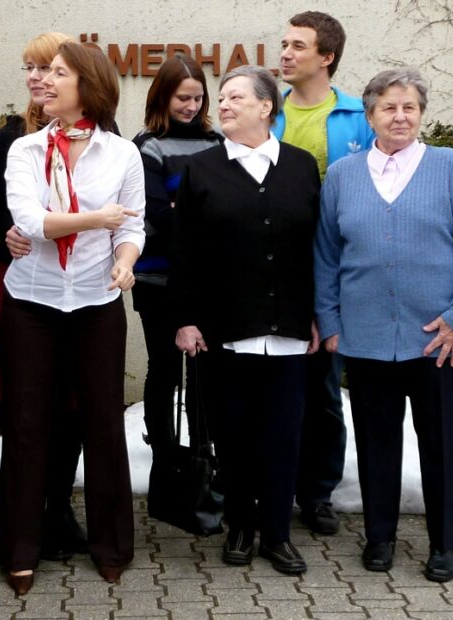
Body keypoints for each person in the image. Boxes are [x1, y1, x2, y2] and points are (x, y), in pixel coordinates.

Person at [315, 67, 453, 583]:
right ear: (369, 115)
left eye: (410, 107)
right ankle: (379, 537)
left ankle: (444, 544)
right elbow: (326, 256)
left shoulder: (452, 167)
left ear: (421, 114)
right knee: (376, 444)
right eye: (389, 107)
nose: (400, 116)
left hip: (442, 341)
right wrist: (331, 320)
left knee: (443, 445)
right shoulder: (342, 175)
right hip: (367, 337)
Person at [0, 41, 144, 595]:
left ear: (89, 85)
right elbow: (30, 221)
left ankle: (112, 547)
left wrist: (125, 261)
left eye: (59, 73)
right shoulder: (25, 149)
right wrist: (97, 219)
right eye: (45, 72)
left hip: (96, 303)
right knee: (26, 424)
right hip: (31, 302)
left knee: (104, 423)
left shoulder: (122, 154)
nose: (45, 80)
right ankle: (19, 549)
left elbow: (132, 226)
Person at [171, 65, 321, 576]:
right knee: (233, 436)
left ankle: (278, 535)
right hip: (225, 329)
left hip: (290, 330)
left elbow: (315, 248)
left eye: (236, 97)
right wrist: (186, 318)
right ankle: (239, 527)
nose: (224, 105)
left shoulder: (301, 166)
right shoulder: (202, 169)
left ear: (266, 107)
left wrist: (317, 314)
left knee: (283, 437)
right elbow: (184, 252)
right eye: (223, 98)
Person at [0, 32, 90, 560]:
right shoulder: (12, 136)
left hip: (79, 290)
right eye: (30, 66)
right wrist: (11, 231)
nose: (36, 77)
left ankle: (59, 507)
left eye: (46, 67)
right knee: (27, 406)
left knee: (72, 404)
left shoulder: (101, 137)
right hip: (24, 286)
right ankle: (24, 513)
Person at [275, 11, 375, 536]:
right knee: (276, 386)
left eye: (298, 45)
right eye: (284, 43)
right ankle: (271, 486)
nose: (285, 53)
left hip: (332, 270)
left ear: (327, 57)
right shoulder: (269, 113)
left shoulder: (359, 116)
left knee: (324, 389)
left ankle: (317, 493)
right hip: (274, 269)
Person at [131, 55, 221, 460]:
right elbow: (155, 214)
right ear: (163, 96)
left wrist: (180, 207)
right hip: (156, 278)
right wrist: (197, 213)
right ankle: (165, 451)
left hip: (206, 279)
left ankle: (203, 448)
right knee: (164, 366)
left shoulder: (217, 143)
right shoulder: (147, 146)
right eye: (183, 98)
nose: (192, 107)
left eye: (198, 98)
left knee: (204, 368)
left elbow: (226, 205)